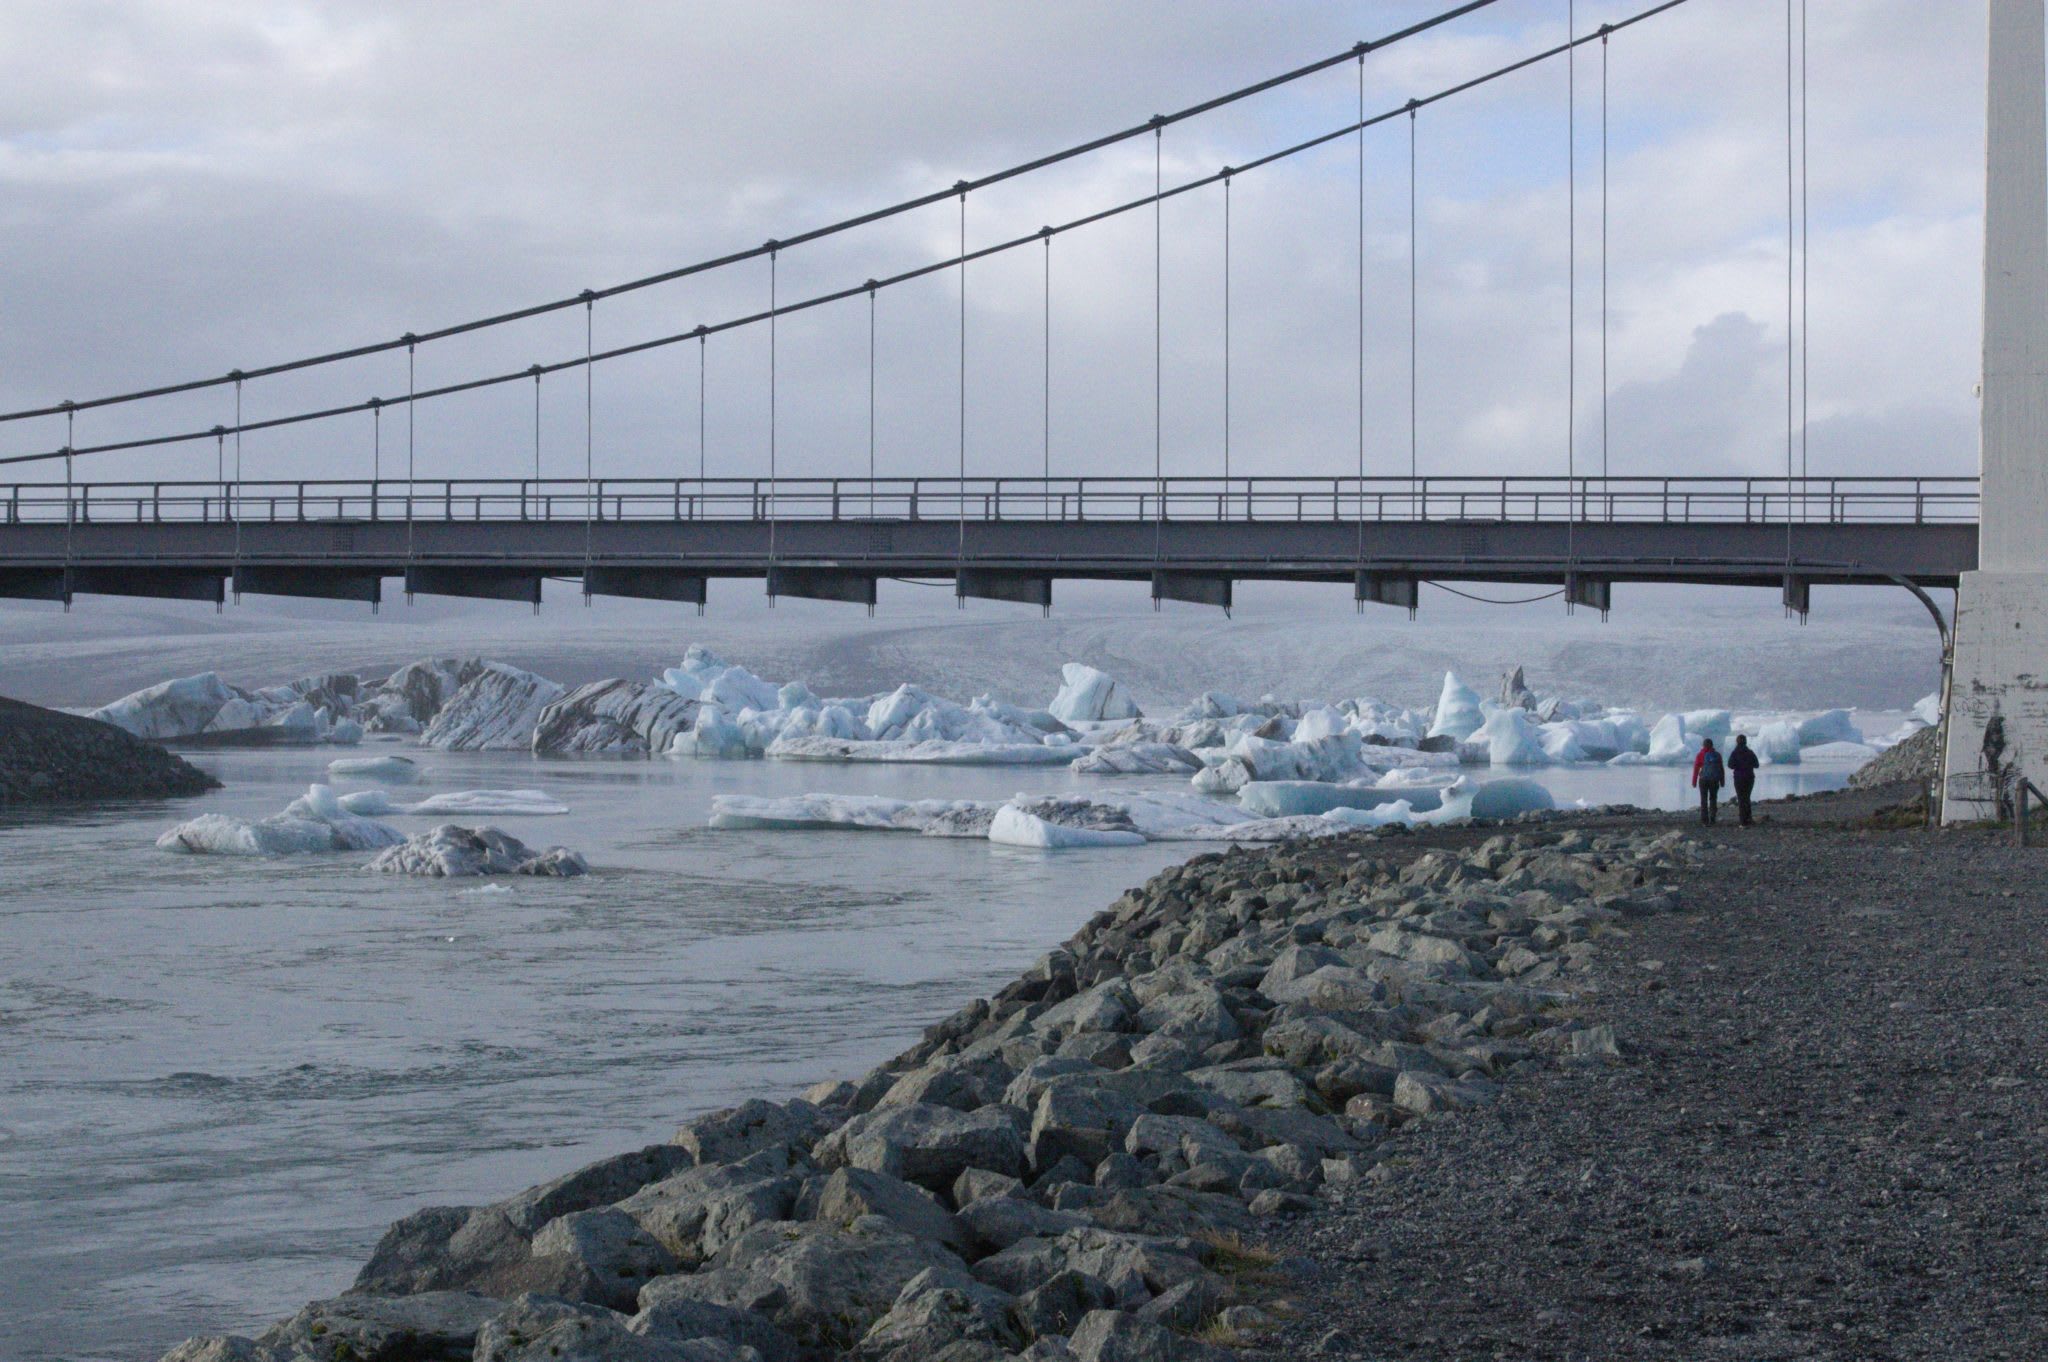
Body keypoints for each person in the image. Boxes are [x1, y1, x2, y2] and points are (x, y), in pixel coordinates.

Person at [1727, 733, 1761, 826]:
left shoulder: (1734, 753)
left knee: (1741, 799)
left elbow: (1730, 765)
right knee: (1747, 797)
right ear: (1745, 742)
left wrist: (1738, 766)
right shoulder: (1750, 752)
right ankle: (1748, 818)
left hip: (1738, 778)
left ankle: (1743, 821)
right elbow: (1757, 765)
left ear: (1737, 742)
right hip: (1749, 777)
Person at [1691, 737, 1724, 825]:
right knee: (1713, 799)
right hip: (1714, 780)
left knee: (1703, 800)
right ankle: (1712, 818)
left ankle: (1705, 820)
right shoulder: (1717, 755)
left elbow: (1696, 769)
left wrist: (1694, 781)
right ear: (1712, 745)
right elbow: (1721, 769)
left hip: (1703, 780)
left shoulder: (1700, 755)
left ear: (1703, 745)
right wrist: (1722, 781)